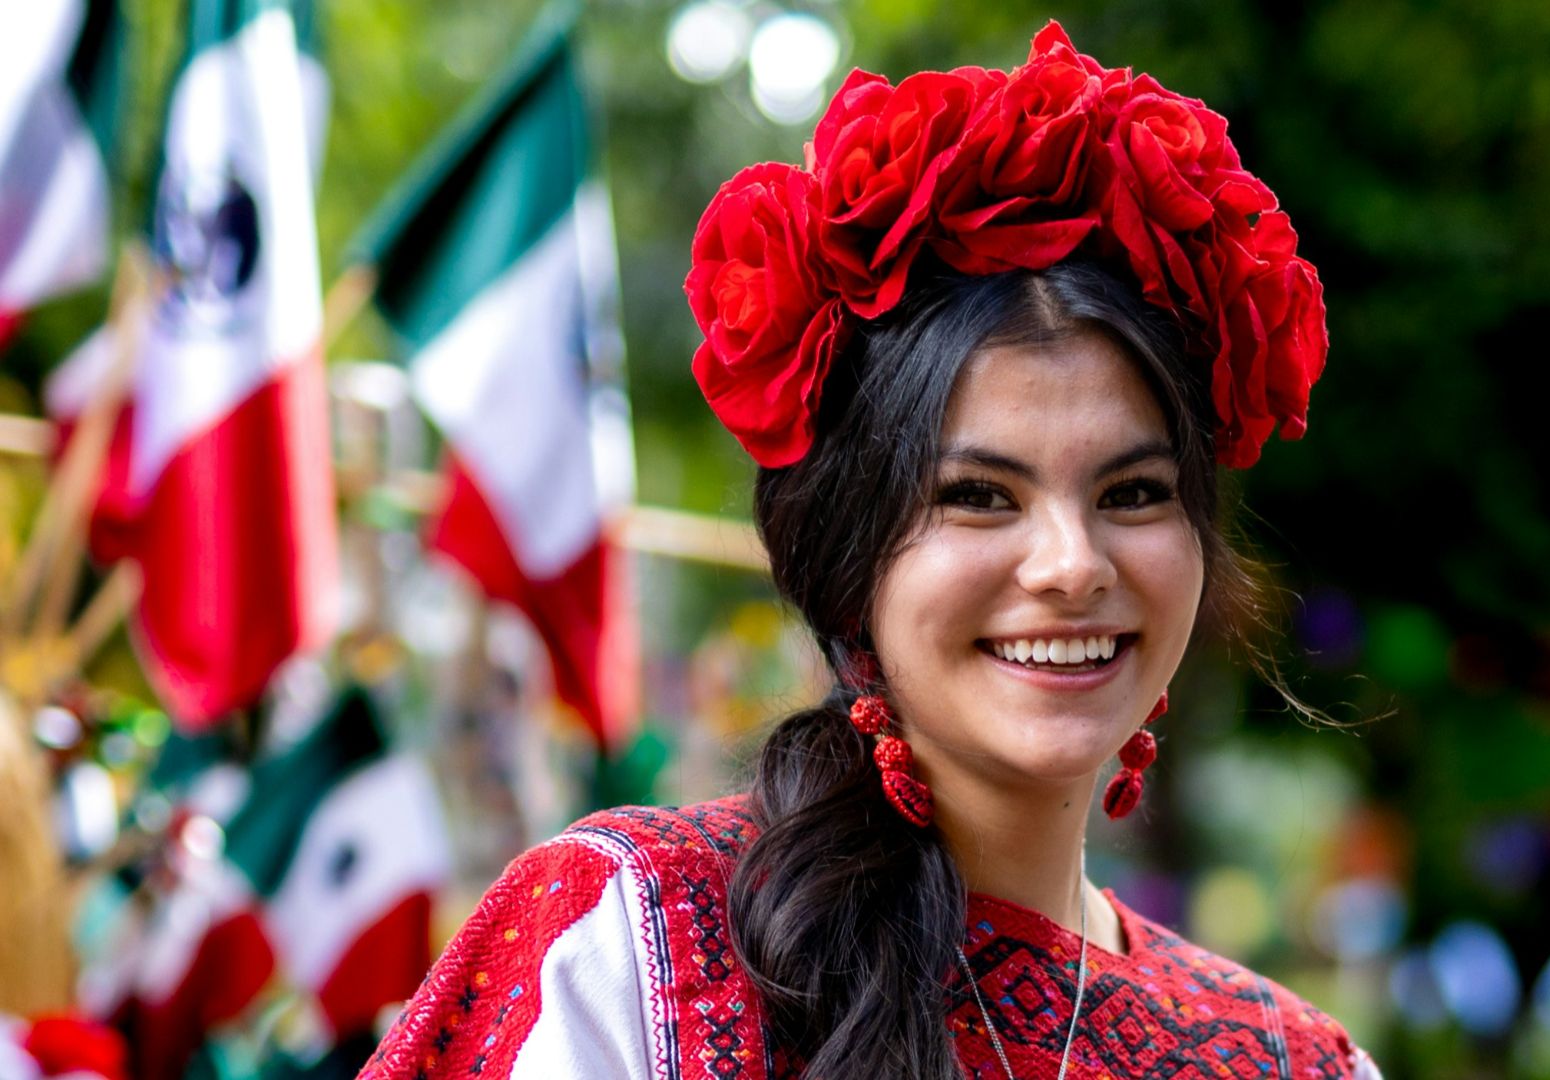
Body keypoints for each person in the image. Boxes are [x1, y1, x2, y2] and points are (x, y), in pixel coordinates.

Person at [361, 22, 1380, 1080]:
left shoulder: (1294, 1061)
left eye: (1133, 493)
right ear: (853, 558)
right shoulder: (628, 939)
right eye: (979, 497)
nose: (1074, 565)